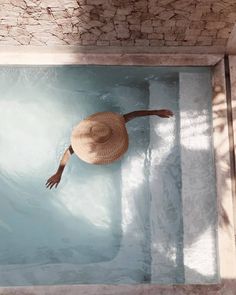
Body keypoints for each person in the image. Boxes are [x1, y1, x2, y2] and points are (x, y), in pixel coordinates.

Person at [46, 109, 173, 189]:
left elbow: (68, 152)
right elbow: (133, 114)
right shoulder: (93, 135)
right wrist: (155, 112)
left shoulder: (98, 132)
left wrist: (156, 112)